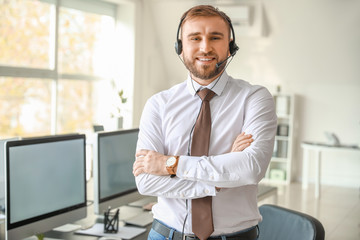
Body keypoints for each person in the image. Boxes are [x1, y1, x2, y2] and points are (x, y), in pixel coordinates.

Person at [133, 5, 277, 240]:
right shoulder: (158, 105)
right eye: (195, 38)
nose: (205, 47)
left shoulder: (255, 98)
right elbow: (146, 182)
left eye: (215, 37)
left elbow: (250, 168)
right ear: (180, 47)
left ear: (230, 47)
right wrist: (219, 179)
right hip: (166, 235)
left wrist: (170, 164)